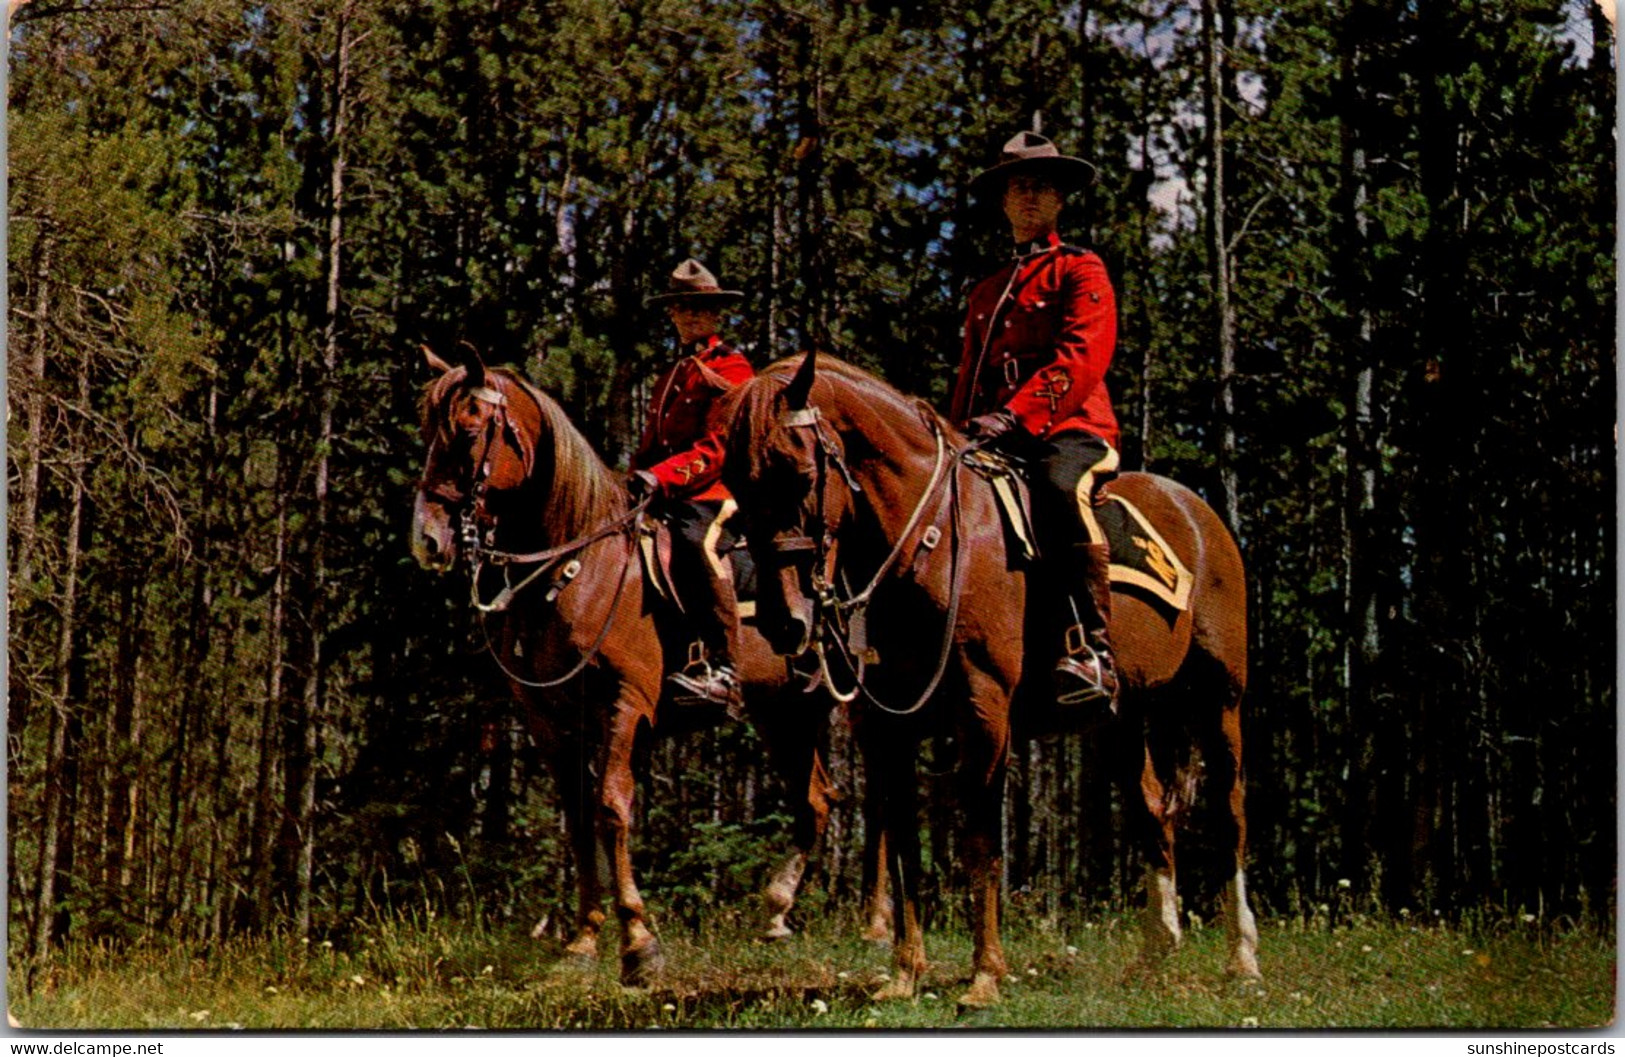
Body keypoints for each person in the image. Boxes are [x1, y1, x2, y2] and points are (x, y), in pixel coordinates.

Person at [948, 130, 1120, 720]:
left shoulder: (1081, 268)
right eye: (1018, 187)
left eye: (1040, 188)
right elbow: (970, 377)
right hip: (994, 434)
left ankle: (1091, 647)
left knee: (1055, 487)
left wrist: (1017, 418)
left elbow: (1081, 356)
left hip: (1071, 428)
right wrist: (955, 437)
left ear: (1059, 200)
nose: (1028, 197)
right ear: (1001, 201)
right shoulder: (987, 290)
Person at [631, 258, 754, 714]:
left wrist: (660, 478)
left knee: (696, 543)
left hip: (713, 494)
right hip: (665, 493)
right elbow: (651, 446)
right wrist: (633, 479)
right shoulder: (671, 376)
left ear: (718, 315)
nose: (691, 317)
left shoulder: (734, 368)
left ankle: (726, 669)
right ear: (672, 315)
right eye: (683, 309)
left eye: (701, 309)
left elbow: (718, 447)